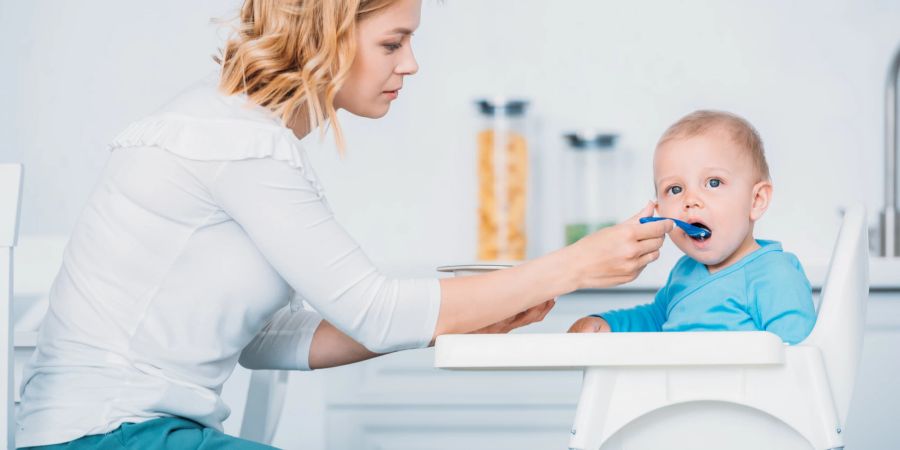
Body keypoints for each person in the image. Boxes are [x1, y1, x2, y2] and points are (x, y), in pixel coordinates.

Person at [16, 0, 671, 448]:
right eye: (393, 41)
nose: (409, 64)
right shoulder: (236, 142)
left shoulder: (240, 135)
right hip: (107, 436)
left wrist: (467, 310)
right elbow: (378, 310)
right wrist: (574, 265)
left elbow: (269, 339)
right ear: (327, 35)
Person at [568, 110, 816, 345]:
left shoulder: (774, 274)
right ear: (660, 209)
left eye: (713, 182)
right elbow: (656, 320)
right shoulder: (684, 272)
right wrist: (607, 325)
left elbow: (798, 359)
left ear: (756, 200)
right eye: (675, 189)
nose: (690, 200)